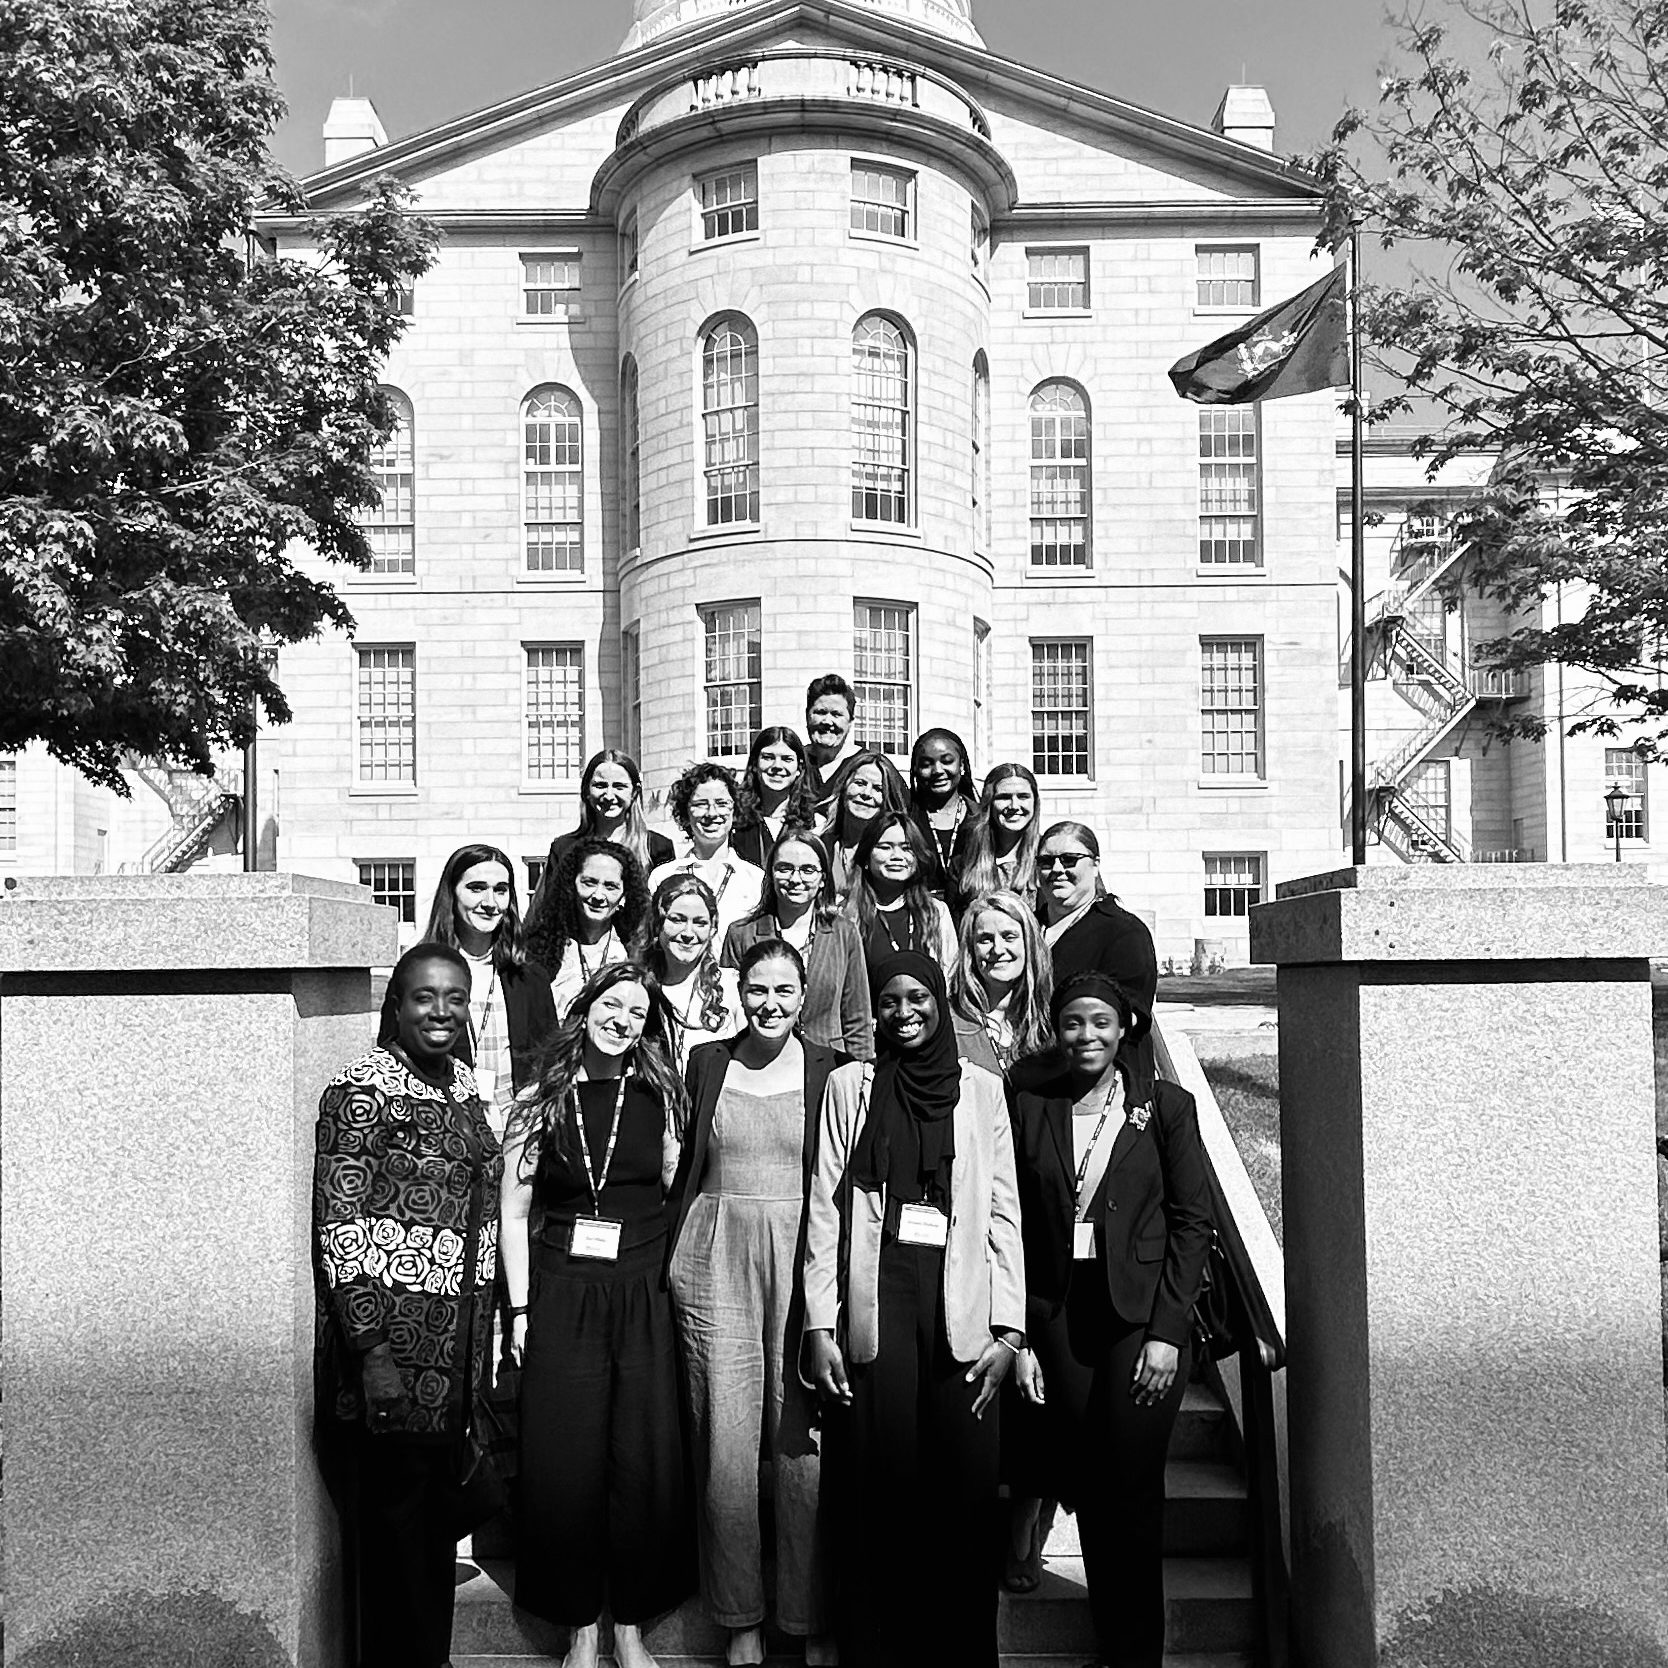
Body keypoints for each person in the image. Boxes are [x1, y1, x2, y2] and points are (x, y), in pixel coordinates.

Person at [801, 951, 1026, 1668]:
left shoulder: (983, 1092)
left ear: (940, 1003)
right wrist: (818, 1322)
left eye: (918, 998)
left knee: (962, 1499)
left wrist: (1012, 1328)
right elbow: (824, 1210)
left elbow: (1003, 1214)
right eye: (891, 1001)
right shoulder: (850, 1086)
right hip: (879, 1300)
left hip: (963, 1306)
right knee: (877, 1497)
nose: (904, 1013)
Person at [1009, 972, 1212, 1668]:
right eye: (1072, 1023)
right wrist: (1024, 1334)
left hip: (1140, 1319)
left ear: (1126, 1025)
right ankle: (1111, 1639)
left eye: (1100, 1022)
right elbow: (1018, 1225)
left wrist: (1167, 1333)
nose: (1086, 1035)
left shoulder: (1166, 1108)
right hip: (1062, 1313)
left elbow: (1193, 1223)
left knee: (1130, 1485)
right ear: (1055, 1029)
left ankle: (1137, 1653)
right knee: (1089, 1483)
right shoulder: (1032, 1104)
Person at [313, 942, 503, 1668]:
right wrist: (373, 1354)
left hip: (452, 1360)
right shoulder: (363, 1091)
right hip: (393, 1363)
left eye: (455, 997)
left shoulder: (458, 1082)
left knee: (428, 1543)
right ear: (395, 1004)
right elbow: (341, 1226)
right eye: (425, 996)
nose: (442, 1011)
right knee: (395, 1548)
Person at [502, 963, 693, 1668]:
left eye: (637, 1012)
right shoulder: (539, 1101)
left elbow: (674, 1186)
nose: (623, 1019)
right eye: (612, 1004)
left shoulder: (660, 1094)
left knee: (641, 1457)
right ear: (584, 1010)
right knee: (565, 1458)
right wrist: (519, 1308)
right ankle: (579, 1622)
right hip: (562, 1290)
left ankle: (630, 1623)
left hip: (643, 1291)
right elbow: (514, 1209)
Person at [667, 940, 846, 1667]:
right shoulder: (707, 1061)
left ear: (804, 996)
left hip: (804, 1256)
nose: (769, 1004)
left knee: (802, 1441)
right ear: (739, 992)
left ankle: (803, 1617)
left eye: (784, 991)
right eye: (757, 990)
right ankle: (740, 1617)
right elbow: (680, 1163)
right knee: (727, 1443)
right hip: (716, 1257)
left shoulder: (831, 1069)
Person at [404, 843, 558, 1137]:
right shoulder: (418, 972)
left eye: (500, 890)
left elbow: (549, 1061)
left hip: (518, 1136)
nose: (490, 902)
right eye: (476, 888)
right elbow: (396, 1061)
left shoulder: (529, 975)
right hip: (444, 1136)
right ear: (452, 894)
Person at [723, 829, 873, 1061]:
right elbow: (731, 1015)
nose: (795, 879)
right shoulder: (741, 934)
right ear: (771, 874)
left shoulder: (844, 933)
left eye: (807, 870)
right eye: (784, 868)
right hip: (762, 1066)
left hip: (831, 1065)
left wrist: (862, 1070)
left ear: (823, 878)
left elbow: (857, 1017)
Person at [1034, 822, 1157, 1072]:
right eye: (1046, 862)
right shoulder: (1024, 929)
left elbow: (1131, 1016)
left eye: (1069, 860)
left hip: (1103, 1082)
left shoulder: (1124, 932)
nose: (1057, 869)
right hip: (1032, 1077)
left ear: (1096, 864)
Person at [529, 751, 673, 929]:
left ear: (634, 792)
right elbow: (546, 913)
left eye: (619, 786)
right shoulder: (564, 848)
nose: (609, 795)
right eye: (600, 785)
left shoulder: (658, 848)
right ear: (586, 791)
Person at [649, 762, 765, 949]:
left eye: (721, 804)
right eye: (701, 804)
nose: (712, 813)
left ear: (734, 810)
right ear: (685, 813)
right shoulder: (662, 877)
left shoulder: (755, 879)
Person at [530, 837, 649, 1017]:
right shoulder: (541, 947)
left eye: (611, 886)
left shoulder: (636, 950)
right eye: (589, 883)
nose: (598, 896)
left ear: (624, 894)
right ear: (571, 884)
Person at [948, 888, 1053, 1080]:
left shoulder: (1047, 1019)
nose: (997, 949)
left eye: (1009, 937)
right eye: (985, 939)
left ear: (1028, 943)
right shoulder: (951, 1022)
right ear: (971, 949)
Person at [647, 872, 741, 1076]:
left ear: (713, 928)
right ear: (657, 923)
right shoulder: (638, 987)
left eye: (700, 923)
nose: (688, 933)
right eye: (677, 920)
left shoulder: (733, 986)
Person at [843, 810, 956, 972]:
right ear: (866, 856)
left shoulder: (936, 913)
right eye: (885, 847)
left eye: (906, 848)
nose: (897, 856)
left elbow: (950, 977)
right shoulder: (846, 915)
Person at [817, 750, 910, 896]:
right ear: (844, 787)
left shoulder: (899, 853)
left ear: (888, 799)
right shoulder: (818, 843)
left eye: (878, 789)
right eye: (859, 783)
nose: (866, 793)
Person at [954, 765, 1043, 917]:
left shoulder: (1050, 858)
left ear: (1034, 802)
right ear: (989, 803)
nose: (1014, 806)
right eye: (1004, 797)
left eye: (1023, 796)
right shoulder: (965, 861)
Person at [732, 726, 820, 869]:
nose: (777, 766)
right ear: (754, 764)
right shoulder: (734, 820)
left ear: (799, 768)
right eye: (768, 757)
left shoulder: (814, 824)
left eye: (787, 759)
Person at [907, 727, 979, 898]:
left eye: (947, 761)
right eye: (926, 764)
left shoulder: (981, 818)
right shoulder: (903, 818)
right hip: (918, 915)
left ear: (961, 764)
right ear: (915, 770)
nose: (937, 770)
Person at [803, 674, 860, 798]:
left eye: (836, 714)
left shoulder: (869, 765)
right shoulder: (793, 763)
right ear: (807, 716)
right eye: (820, 712)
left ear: (850, 722)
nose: (827, 722)